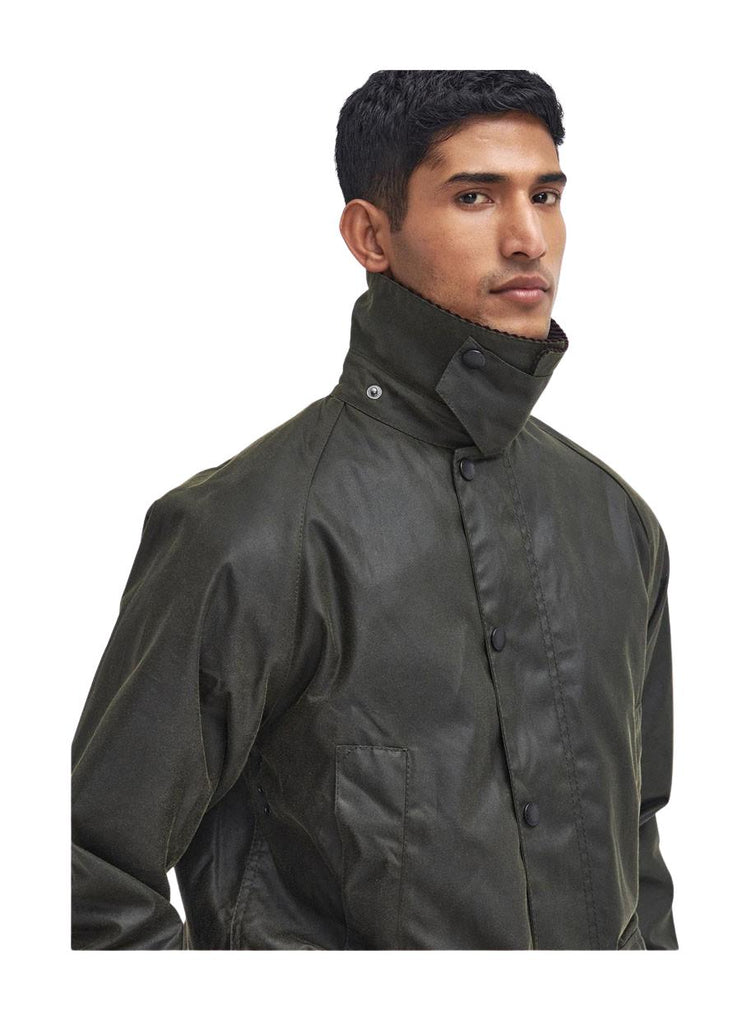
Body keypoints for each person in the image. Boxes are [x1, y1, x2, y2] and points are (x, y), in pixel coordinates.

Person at [71, 69, 678, 951]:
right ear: (370, 235)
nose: (527, 239)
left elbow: (640, 848)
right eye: (474, 197)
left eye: (545, 196)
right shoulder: (248, 532)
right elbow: (86, 877)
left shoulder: (616, 525)